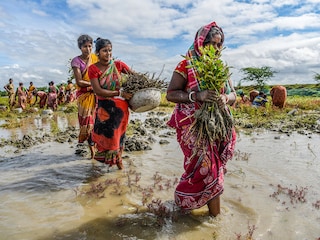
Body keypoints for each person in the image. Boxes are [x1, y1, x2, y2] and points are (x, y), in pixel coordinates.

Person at [166, 21, 237, 217]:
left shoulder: (221, 67)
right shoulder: (186, 64)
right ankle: (211, 218)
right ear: (200, 43)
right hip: (192, 125)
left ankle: (193, 211)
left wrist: (225, 98)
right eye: (211, 44)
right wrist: (196, 96)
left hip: (215, 125)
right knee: (206, 169)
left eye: (218, 45)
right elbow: (171, 94)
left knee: (210, 170)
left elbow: (234, 96)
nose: (215, 49)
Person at [88, 38, 133, 169]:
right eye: (104, 51)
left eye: (110, 50)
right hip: (105, 110)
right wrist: (119, 93)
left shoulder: (118, 65)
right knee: (107, 138)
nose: (108, 53)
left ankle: (120, 165)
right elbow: (98, 91)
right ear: (97, 53)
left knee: (120, 138)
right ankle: (116, 168)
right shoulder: (93, 69)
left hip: (120, 110)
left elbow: (135, 76)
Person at [71, 34, 99, 159]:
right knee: (88, 125)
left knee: (98, 123)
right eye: (85, 47)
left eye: (90, 46)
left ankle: (99, 150)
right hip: (85, 97)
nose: (88, 49)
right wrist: (93, 85)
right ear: (80, 48)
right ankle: (92, 152)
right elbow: (79, 82)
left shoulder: (95, 58)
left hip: (97, 95)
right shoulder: (76, 61)